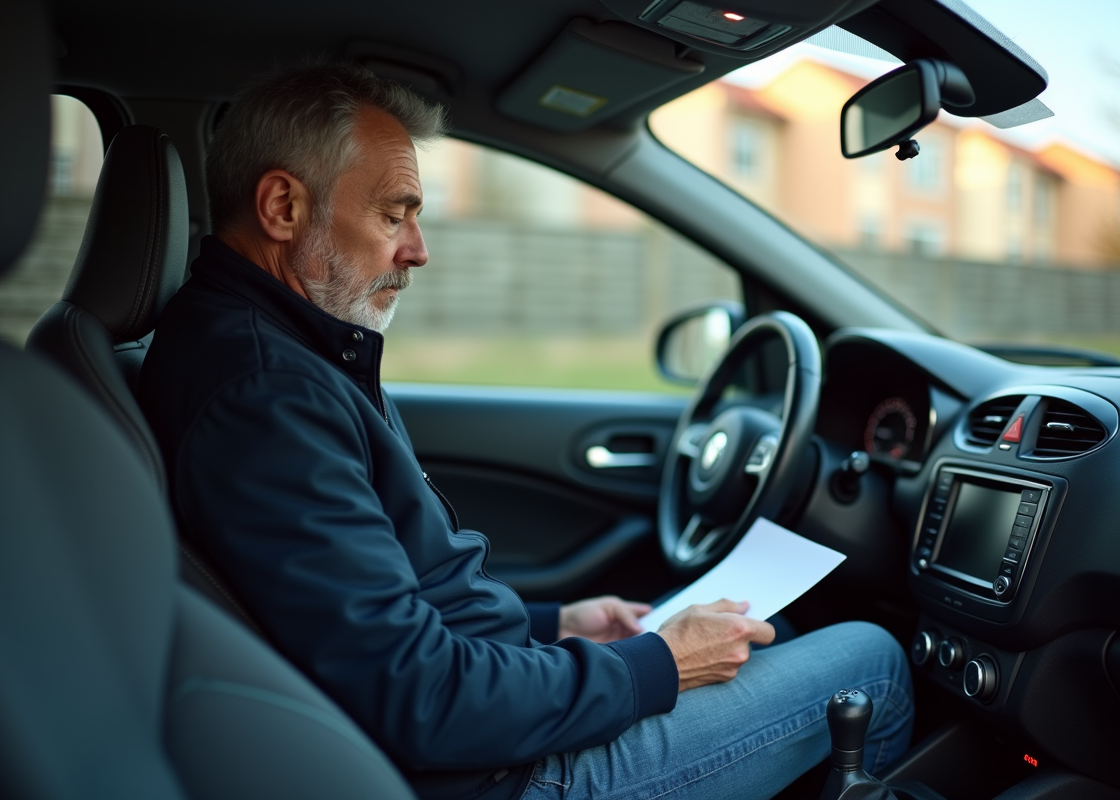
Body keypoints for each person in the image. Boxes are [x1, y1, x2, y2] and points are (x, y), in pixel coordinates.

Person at [139, 62, 913, 800]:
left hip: (494, 739)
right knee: (871, 664)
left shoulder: (279, 349)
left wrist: (558, 626)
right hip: (511, 777)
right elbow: (420, 695)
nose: (418, 249)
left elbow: (387, 608)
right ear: (283, 207)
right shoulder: (266, 393)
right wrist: (656, 667)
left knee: (767, 630)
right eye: (394, 213)